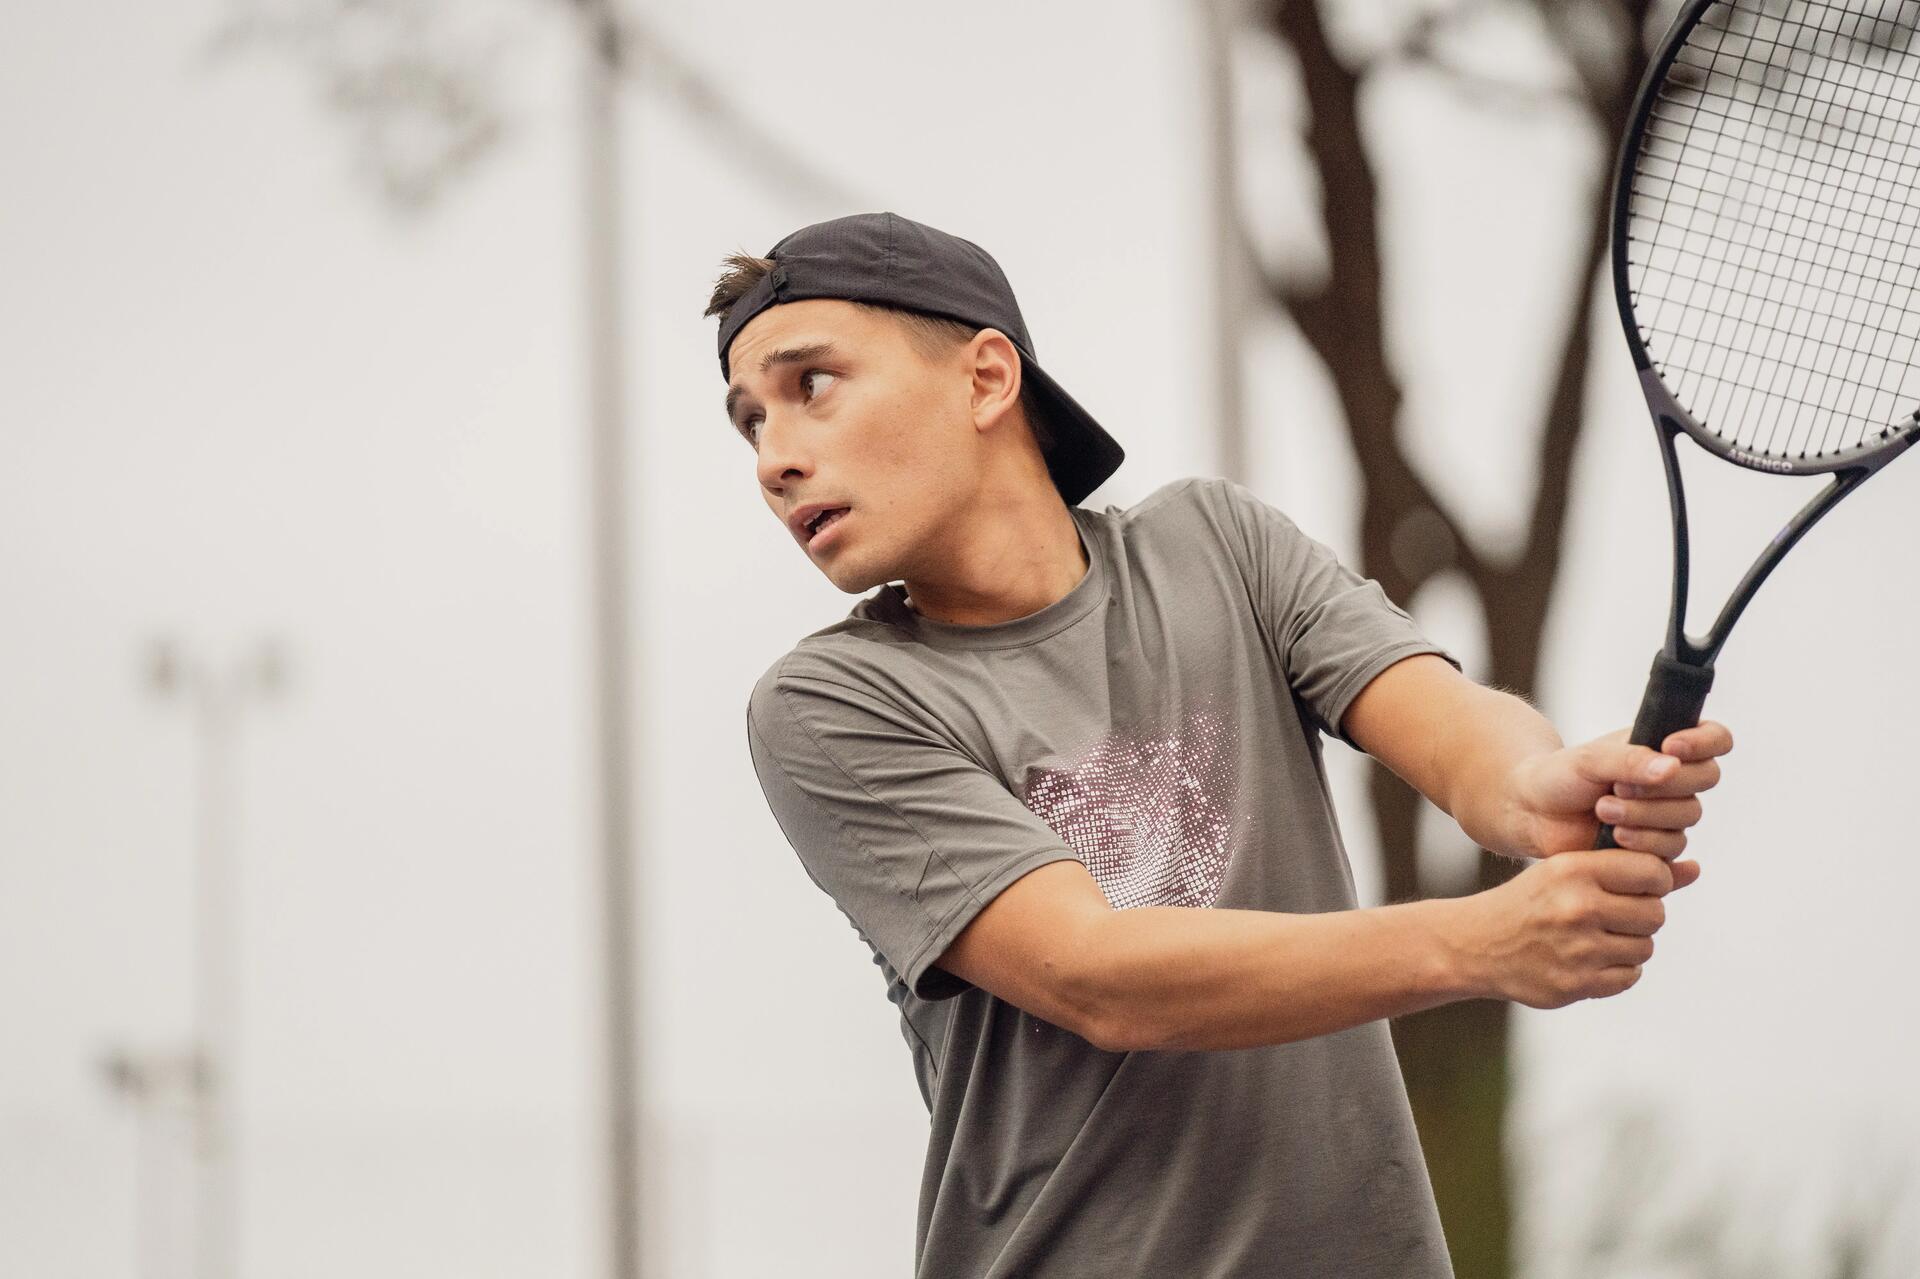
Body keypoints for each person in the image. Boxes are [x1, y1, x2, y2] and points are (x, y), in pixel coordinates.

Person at [711, 211, 1731, 1278]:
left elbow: (1455, 723)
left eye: (811, 385)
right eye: (749, 423)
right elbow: (1099, 976)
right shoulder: (829, 704)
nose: (775, 459)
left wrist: (1541, 787)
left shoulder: (1217, 543)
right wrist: (1483, 942)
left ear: (985, 379)